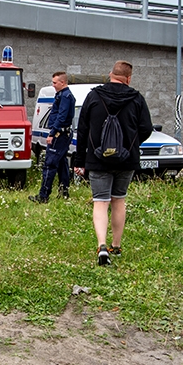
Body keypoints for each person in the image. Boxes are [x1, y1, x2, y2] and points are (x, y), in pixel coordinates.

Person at [72, 61, 153, 266]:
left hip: (98, 159)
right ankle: (115, 246)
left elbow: (82, 130)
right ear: (129, 78)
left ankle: (101, 246)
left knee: (100, 202)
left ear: (110, 75)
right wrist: (129, 147)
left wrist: (80, 160)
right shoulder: (136, 98)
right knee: (119, 200)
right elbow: (146, 129)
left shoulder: (93, 96)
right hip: (126, 160)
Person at [30, 72, 75, 203]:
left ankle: (43, 195)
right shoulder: (62, 95)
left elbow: (61, 116)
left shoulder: (65, 96)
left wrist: (52, 133)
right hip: (61, 133)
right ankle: (64, 192)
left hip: (59, 134)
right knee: (62, 164)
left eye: (55, 83)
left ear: (63, 82)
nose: (53, 85)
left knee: (50, 164)